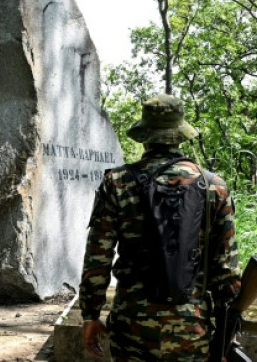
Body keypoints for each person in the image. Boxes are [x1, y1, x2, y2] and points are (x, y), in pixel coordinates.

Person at [79, 94, 241, 361]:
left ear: (145, 134)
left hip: (132, 326)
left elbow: (97, 258)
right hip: (192, 328)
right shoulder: (215, 186)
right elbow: (226, 271)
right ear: (180, 134)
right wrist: (227, 334)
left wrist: (91, 315)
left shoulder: (117, 181)